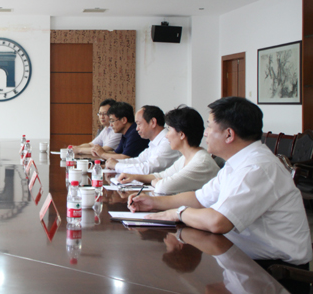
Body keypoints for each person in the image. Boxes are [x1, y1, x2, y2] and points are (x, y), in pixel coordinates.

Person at [128, 97, 311, 291]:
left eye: (209, 126)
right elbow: (199, 198)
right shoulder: (236, 162)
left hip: (274, 273)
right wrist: (153, 202)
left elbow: (218, 221)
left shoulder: (258, 167)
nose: (205, 133)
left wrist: (178, 213)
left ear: (229, 134)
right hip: (241, 260)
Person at [118, 106, 219, 194]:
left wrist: (156, 182)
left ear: (181, 135)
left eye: (169, 129)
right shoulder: (186, 157)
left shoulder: (201, 161)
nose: (166, 135)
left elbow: (163, 187)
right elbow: (162, 175)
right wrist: (135, 177)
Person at [105, 105, 180, 173]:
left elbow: (148, 169)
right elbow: (139, 160)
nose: (137, 128)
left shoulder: (167, 142)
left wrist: (116, 165)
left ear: (153, 122)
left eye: (139, 124)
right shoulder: (154, 142)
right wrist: (116, 162)